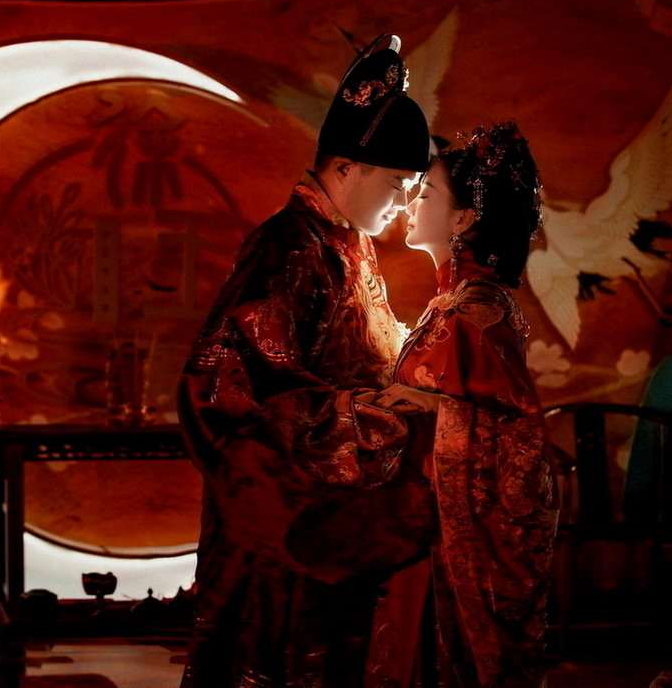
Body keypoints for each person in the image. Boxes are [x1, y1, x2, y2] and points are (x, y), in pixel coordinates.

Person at [177, 34, 439, 688]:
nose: (404, 203)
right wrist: (368, 417)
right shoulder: (289, 248)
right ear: (346, 168)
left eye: (413, 188)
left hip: (345, 511)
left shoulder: (347, 245)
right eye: (397, 184)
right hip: (285, 523)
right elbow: (224, 387)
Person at [364, 121, 558, 688]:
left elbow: (516, 434)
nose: (410, 205)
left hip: (448, 545)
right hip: (424, 533)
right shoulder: (450, 304)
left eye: (425, 193)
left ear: (463, 219)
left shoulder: (475, 313)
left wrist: (428, 410)